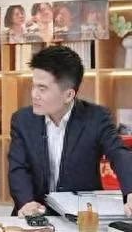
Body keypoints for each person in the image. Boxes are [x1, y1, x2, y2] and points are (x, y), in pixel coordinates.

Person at [8, 45, 132, 217]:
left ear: (68, 95)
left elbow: (119, 153)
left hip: (82, 215)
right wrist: (26, 202)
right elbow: (18, 168)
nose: (34, 94)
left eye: (42, 89)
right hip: (34, 214)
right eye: (33, 86)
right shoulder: (22, 120)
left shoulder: (97, 118)